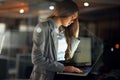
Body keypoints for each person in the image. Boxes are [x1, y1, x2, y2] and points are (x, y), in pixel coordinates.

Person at [30, 0, 82, 80]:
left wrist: (75, 35)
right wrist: (64, 68)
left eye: (75, 19)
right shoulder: (43, 28)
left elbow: (68, 56)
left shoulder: (63, 31)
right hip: (46, 75)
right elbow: (37, 59)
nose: (72, 21)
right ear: (64, 12)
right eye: (72, 17)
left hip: (61, 72)